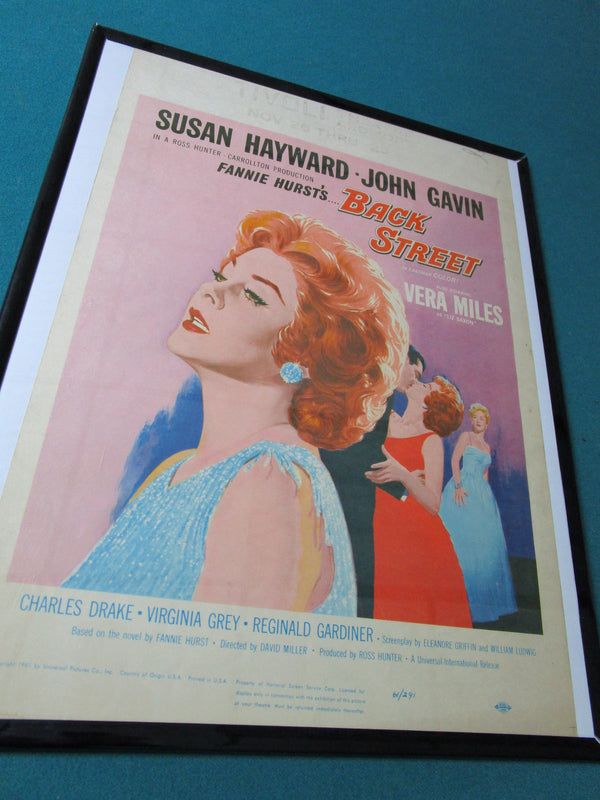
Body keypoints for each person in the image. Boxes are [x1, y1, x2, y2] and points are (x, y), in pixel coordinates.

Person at [63, 210, 409, 617]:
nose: (210, 292)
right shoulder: (179, 469)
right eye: (221, 276)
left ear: (306, 354)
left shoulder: (271, 480)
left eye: (254, 295)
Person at [320, 345, 425, 618]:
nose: (415, 381)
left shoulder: (380, 385)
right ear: (404, 359)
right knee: (354, 564)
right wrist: (402, 484)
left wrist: (403, 476)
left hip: (348, 484)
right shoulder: (378, 385)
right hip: (346, 487)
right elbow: (360, 446)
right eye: (416, 372)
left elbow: (369, 445)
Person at [366, 377, 472, 627]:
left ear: (431, 405)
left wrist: (403, 475)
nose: (419, 383)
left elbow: (433, 504)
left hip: (418, 539)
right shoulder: (387, 417)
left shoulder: (431, 440)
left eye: (427, 387)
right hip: (382, 525)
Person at [439, 404, 517, 623]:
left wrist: (487, 500)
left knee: (484, 544)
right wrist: (458, 485)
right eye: (475, 418)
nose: (479, 421)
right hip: (462, 487)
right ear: (472, 421)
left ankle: (481, 602)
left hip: (482, 495)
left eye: (482, 418)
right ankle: (454, 602)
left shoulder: (487, 447)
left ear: (487, 422)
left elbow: (485, 475)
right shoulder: (467, 437)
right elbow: (455, 460)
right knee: (461, 540)